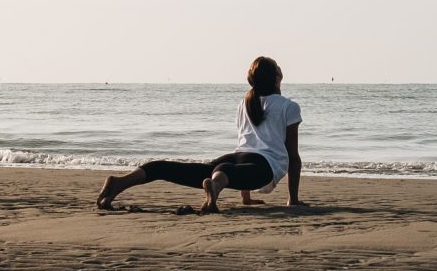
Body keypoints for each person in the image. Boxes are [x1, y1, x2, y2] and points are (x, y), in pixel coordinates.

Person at [97, 57, 303, 212]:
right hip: (262, 166)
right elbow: (293, 157)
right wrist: (292, 200)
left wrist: (246, 199)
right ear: (277, 78)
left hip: (235, 157)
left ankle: (120, 182)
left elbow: (247, 142)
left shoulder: (245, 103)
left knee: (170, 169)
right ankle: (214, 187)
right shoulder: (288, 106)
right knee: (226, 172)